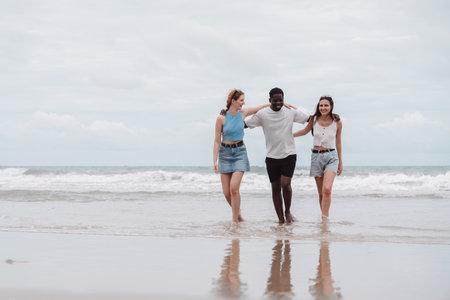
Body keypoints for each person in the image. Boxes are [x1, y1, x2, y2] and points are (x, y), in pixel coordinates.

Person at [245, 87, 309, 224]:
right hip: (272, 157)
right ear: (270, 101)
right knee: (275, 188)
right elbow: (244, 124)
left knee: (285, 184)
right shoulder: (262, 114)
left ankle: (287, 212)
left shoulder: (290, 112)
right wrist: (225, 118)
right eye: (275, 100)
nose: (278, 103)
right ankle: (280, 219)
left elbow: (309, 118)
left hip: (289, 154)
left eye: (281, 100)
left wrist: (332, 116)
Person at [213, 89, 270, 225]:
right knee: (226, 193)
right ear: (233, 101)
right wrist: (214, 160)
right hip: (225, 154)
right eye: (241, 100)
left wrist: (281, 103)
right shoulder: (221, 118)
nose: (243, 103)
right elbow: (216, 140)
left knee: (234, 189)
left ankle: (234, 221)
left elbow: (260, 108)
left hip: (240, 153)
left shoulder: (243, 113)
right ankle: (238, 215)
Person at [293, 96, 343, 222]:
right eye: (321, 105)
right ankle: (324, 219)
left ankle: (325, 218)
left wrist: (340, 162)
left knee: (327, 190)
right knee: (321, 193)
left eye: (326, 105)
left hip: (331, 156)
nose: (323, 108)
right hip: (316, 157)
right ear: (318, 106)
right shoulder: (314, 119)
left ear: (331, 107)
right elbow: (305, 131)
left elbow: (338, 142)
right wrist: (289, 135)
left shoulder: (337, 122)